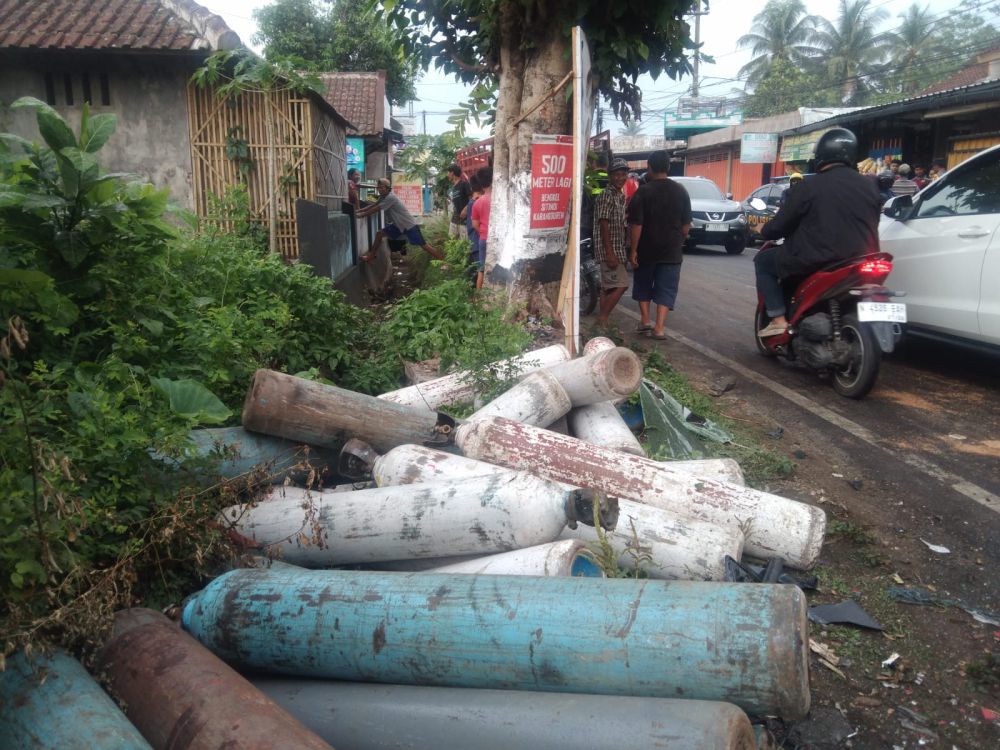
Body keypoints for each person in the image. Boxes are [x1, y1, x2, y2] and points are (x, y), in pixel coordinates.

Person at [754, 128, 881, 338]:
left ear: (821, 156)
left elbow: (779, 226)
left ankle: (777, 319)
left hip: (817, 258)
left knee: (764, 262)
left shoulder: (809, 186)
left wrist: (764, 230)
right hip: (861, 258)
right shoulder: (870, 187)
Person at [626, 150, 691, 341]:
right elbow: (686, 226)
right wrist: (678, 240)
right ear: (668, 167)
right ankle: (659, 328)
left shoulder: (643, 192)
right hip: (672, 251)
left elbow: (636, 224)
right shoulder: (681, 191)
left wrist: (634, 250)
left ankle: (645, 320)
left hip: (647, 249)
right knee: (667, 289)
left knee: (643, 284)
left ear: (649, 167)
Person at [356, 178, 444, 261]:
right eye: (378, 187)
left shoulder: (391, 197)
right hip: (398, 225)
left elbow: (377, 208)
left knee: (424, 246)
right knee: (379, 234)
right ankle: (371, 256)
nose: (379, 189)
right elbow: (373, 205)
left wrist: (362, 215)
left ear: (387, 188)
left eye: (381, 187)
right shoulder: (383, 197)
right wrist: (360, 210)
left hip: (408, 225)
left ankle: (443, 260)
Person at [593, 158, 630, 326]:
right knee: (622, 285)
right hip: (610, 250)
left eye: (623, 174)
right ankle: (602, 318)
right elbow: (603, 223)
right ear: (610, 176)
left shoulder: (619, 195)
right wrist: (609, 253)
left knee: (608, 287)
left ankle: (603, 324)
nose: (620, 178)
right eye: (616, 174)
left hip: (617, 248)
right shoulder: (607, 195)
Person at [471, 166, 492, 288]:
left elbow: (475, 225)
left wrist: (484, 233)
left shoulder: (477, 202)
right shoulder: (499, 199)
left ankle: (478, 299)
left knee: (481, 270)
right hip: (497, 240)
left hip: (483, 239)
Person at [465, 173, 482, 286]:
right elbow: (477, 225)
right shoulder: (476, 202)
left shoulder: (472, 202)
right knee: (480, 271)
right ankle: (477, 298)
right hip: (477, 242)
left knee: (476, 271)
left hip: (473, 242)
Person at [446, 163, 472, 239]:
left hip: (464, 217)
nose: (447, 175)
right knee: (451, 238)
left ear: (452, 173)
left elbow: (472, 199)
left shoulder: (464, 184)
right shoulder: (453, 187)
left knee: (464, 240)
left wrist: (466, 209)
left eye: (448, 173)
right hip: (455, 216)